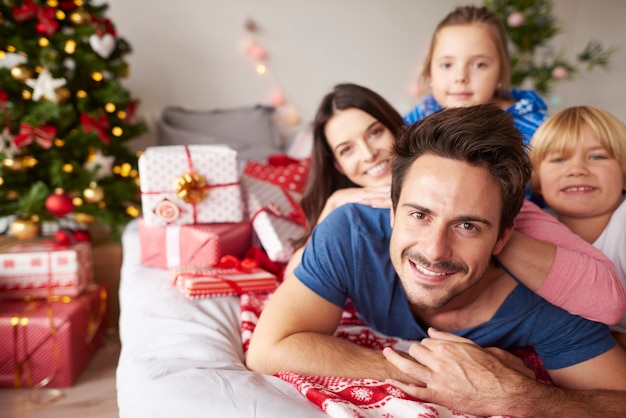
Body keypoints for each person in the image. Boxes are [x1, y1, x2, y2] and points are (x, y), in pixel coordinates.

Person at [246, 104, 626, 417]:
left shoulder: (543, 300)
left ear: (503, 237)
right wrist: (433, 372)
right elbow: (268, 349)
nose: (434, 251)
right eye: (419, 215)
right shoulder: (350, 231)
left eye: (467, 225)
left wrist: (521, 393)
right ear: (391, 211)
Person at [287, 83, 624, 325]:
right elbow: (293, 288)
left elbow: (608, 301)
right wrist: (330, 212)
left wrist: (482, 231)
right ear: (337, 167)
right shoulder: (343, 216)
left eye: (375, 133)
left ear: (399, 129)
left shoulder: (491, 196)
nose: (368, 153)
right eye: (347, 149)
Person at [530, 105, 626, 349]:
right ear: (537, 181)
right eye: (559, 159)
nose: (576, 170)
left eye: (597, 157)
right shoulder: (533, 227)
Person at [403, 5, 547, 146]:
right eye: (447, 65)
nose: (460, 77)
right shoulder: (421, 115)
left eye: (479, 65)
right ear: (429, 73)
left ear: (501, 73)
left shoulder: (537, 130)